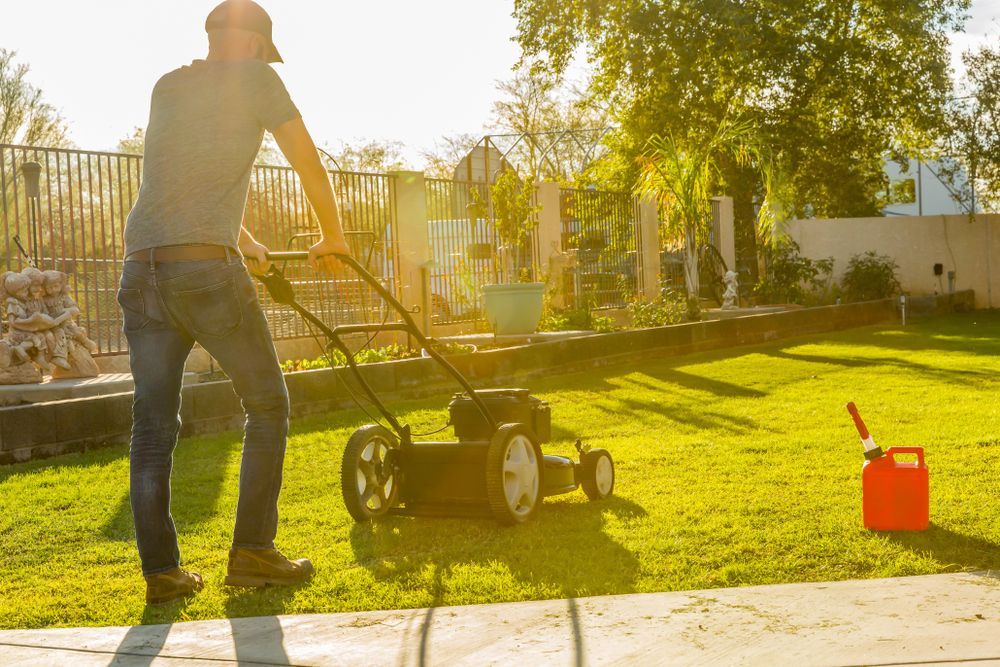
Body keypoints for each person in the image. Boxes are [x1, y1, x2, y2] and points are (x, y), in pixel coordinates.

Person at [118, 0, 351, 605]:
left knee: (152, 428)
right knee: (268, 403)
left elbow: (175, 182)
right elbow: (305, 157)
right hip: (205, 275)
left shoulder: (167, 85)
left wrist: (244, 242)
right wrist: (333, 234)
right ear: (251, 44)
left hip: (142, 269)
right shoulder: (258, 78)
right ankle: (252, 551)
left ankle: (162, 574)